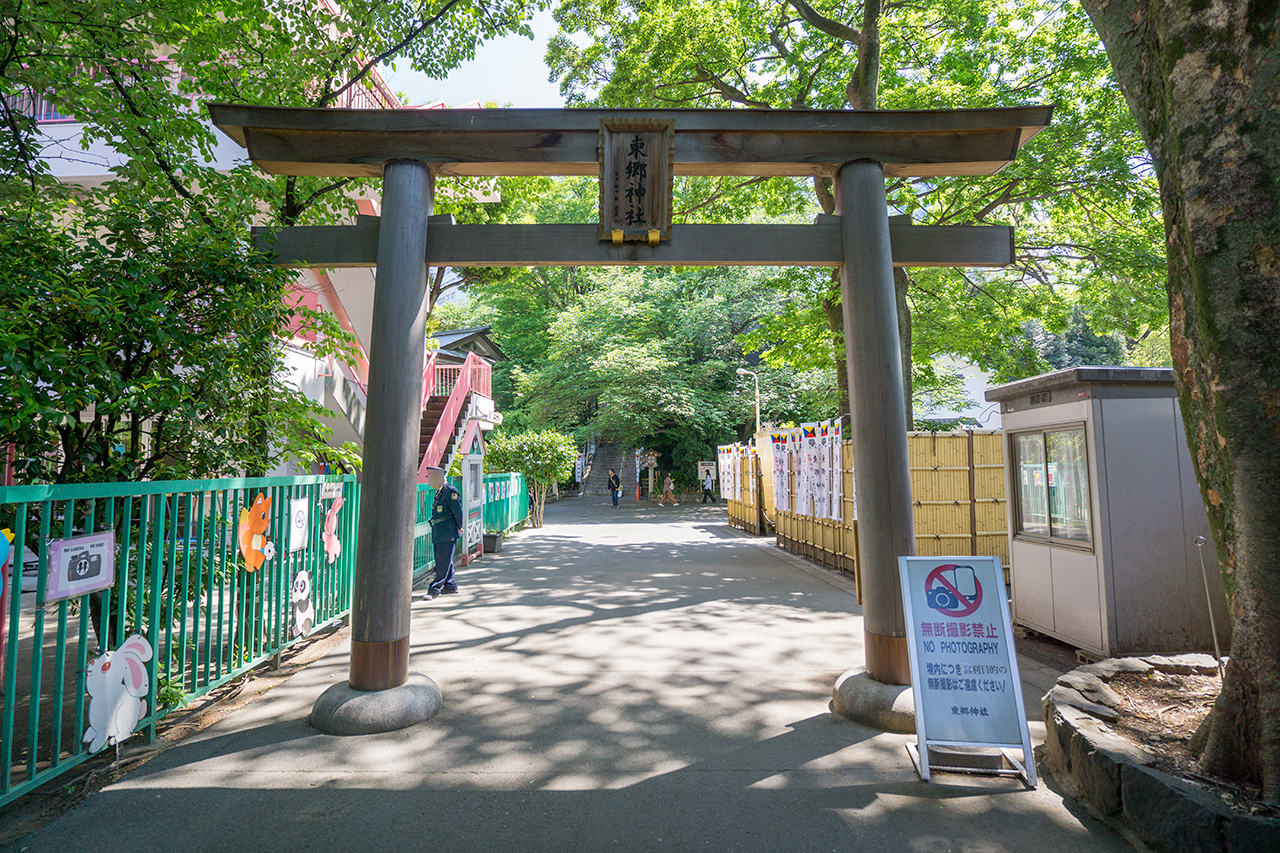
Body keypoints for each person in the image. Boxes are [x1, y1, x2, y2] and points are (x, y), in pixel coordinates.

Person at [424, 466, 463, 599]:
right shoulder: (440, 491)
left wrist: (460, 526)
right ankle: (450, 585)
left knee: (442, 561)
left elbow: (458, 512)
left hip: (447, 532)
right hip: (439, 531)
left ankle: (434, 589)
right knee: (445, 559)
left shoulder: (450, 491)